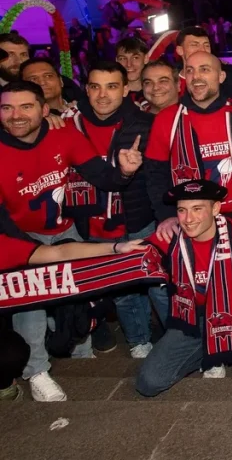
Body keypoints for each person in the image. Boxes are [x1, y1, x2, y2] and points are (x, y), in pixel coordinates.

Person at [0, 80, 144, 401]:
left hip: (64, 229)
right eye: (7, 108)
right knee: (32, 301)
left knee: (83, 288)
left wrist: (124, 171)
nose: (16, 115)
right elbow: (4, 226)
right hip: (16, 239)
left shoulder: (63, 134)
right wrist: (38, 255)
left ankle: (79, 348)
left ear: (43, 109)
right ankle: (37, 370)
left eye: (25, 106)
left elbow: (103, 177)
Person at [136, 179, 232, 394]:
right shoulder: (169, 235)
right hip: (193, 316)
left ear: (215, 208)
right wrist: (115, 246)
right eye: (182, 210)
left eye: (197, 209)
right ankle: (210, 351)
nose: (188, 219)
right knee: (149, 384)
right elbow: (132, 256)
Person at [67, 60, 164, 359]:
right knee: (121, 290)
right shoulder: (68, 125)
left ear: (125, 90)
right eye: (95, 87)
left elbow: (159, 177)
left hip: (138, 219)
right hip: (90, 226)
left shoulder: (144, 124)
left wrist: (163, 218)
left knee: (160, 285)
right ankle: (138, 341)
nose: (103, 95)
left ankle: (183, 336)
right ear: (86, 89)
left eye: (111, 87)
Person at [0, 235, 147, 401]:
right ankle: (32, 373)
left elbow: (59, 253)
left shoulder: (3, 246)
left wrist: (115, 247)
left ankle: (72, 353)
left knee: (12, 351)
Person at [144, 51, 232, 235]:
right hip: (191, 222)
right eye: (190, 70)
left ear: (221, 76)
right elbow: (155, 175)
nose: (196, 77)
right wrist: (166, 215)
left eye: (204, 70)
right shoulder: (167, 119)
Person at [115, 38, 148, 106]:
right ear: (116, 60)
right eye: (122, 58)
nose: (129, 64)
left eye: (135, 58)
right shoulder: (112, 94)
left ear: (146, 59)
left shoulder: (156, 92)